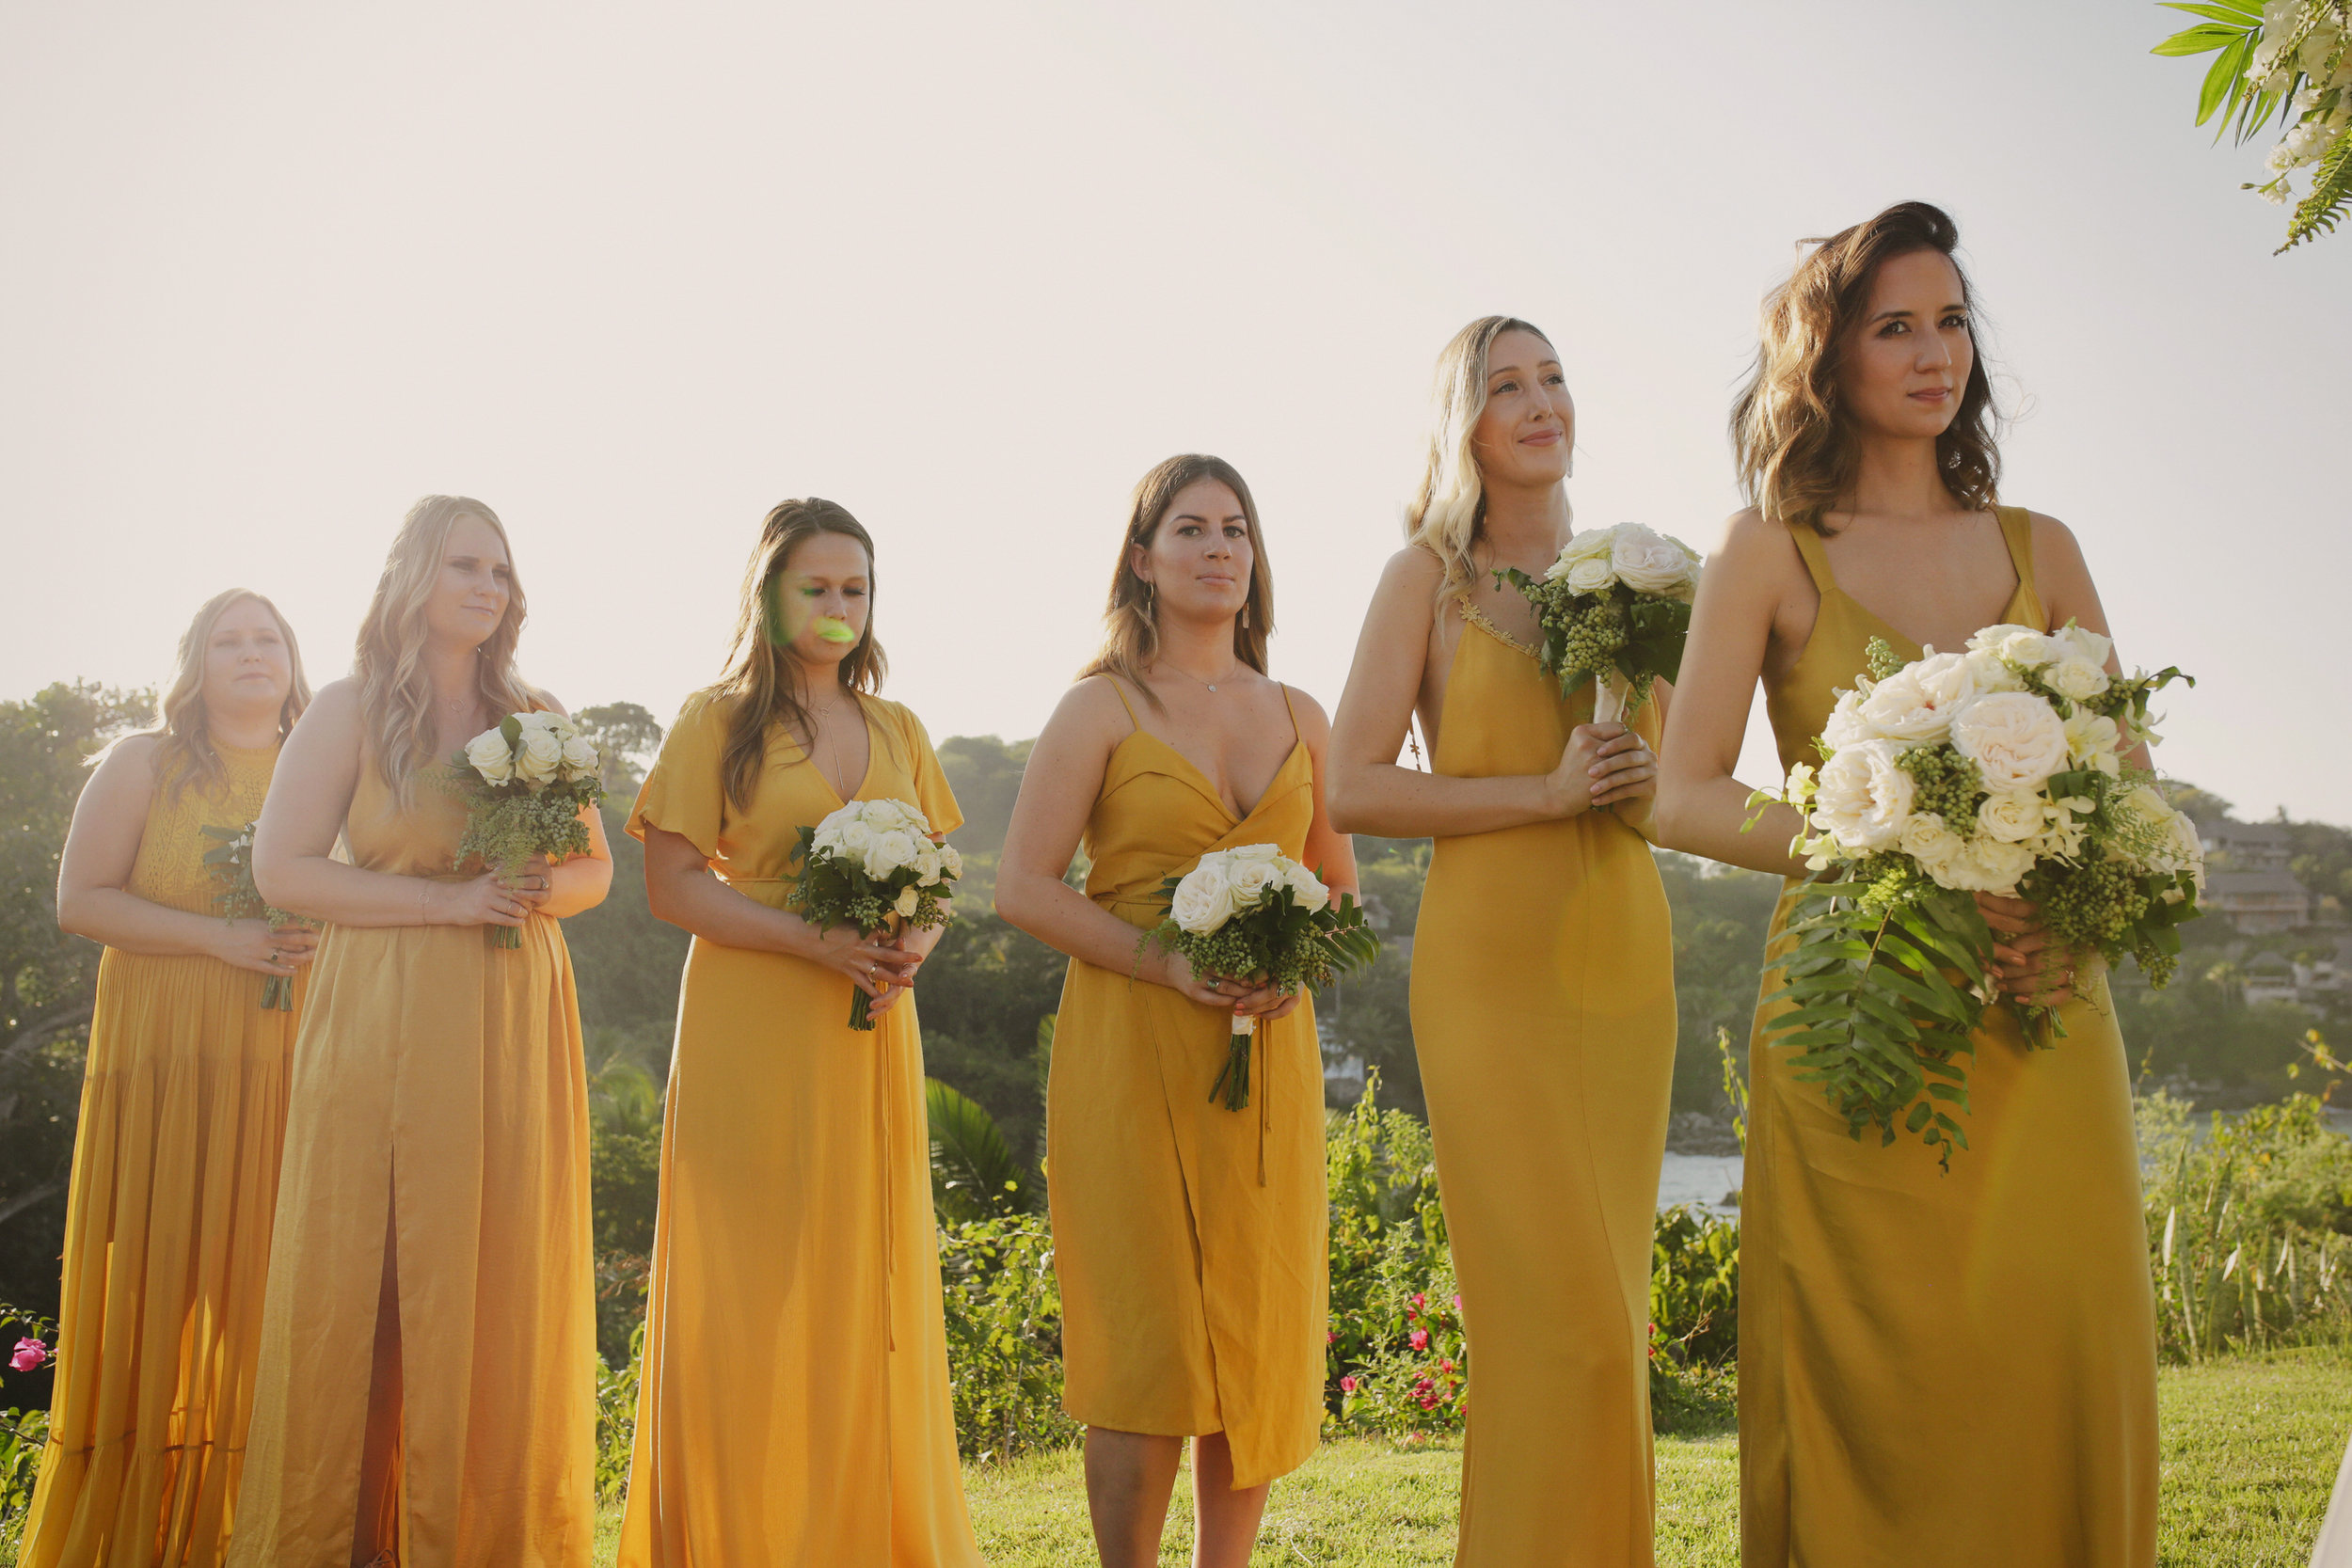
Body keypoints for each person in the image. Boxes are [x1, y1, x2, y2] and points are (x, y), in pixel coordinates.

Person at [1654, 200, 2158, 1566]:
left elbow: (2129, 778)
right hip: (1857, 1010)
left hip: (2042, 999)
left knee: (2057, 1339)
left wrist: (2073, 920)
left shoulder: (2041, 546)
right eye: (1896, 326)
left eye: (1951, 322)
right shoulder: (1766, 550)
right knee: (1880, 1373)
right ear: (1828, 356)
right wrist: (1888, 834)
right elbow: (1680, 787)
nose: (1936, 352)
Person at [1325, 318, 1673, 1565]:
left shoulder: (1638, 576)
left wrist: (1636, 778)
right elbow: (1352, 784)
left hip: (1624, 953)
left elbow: (1677, 780)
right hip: (1485, 966)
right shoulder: (1425, 576)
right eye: (1504, 384)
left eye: (1554, 377)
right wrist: (1540, 794)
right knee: (1550, 1316)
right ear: (1462, 423)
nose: (1539, 401)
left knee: (1611, 1311)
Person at [229, 496, 612, 1568]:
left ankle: (481, 1534)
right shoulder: (350, 707)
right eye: (464, 566)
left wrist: (540, 887)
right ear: (411, 578)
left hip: (510, 1015)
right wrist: (449, 903)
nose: (488, 586)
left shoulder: (536, 712)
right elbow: (281, 870)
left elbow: (595, 871)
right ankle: (351, 1540)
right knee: (378, 1272)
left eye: (500, 569)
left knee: (492, 1277)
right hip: (383, 1010)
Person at [997, 453, 1356, 1568]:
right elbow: (1023, 886)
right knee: (1148, 1334)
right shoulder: (1097, 706)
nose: (1218, 547)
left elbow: (1339, 880)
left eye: (1236, 528)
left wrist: (1300, 959)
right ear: (1142, 560)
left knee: (1253, 1319)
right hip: (1133, 1045)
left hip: (1267, 1046)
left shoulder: (1300, 709)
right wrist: (1166, 966)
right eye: (1191, 528)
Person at [616, 498, 981, 1567]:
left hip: (869, 1023)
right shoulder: (714, 721)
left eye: (855, 589)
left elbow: (941, 877)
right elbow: (673, 885)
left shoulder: (902, 728)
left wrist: (916, 940)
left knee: (864, 1277)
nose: (837, 607)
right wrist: (806, 938)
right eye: (815, 587)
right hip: (751, 1019)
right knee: (748, 1279)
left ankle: (862, 1534)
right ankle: (741, 1537)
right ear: (769, 593)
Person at [22, 590, 313, 1568]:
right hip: (162, 1076)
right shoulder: (141, 760)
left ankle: (263, 1534)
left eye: (265, 637)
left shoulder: (329, 767)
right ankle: (124, 1539)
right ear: (195, 661)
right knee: (150, 1304)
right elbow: (78, 900)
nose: (248, 653)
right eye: (226, 640)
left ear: (291, 655)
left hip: (295, 1076)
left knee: (275, 1311)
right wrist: (219, 938)